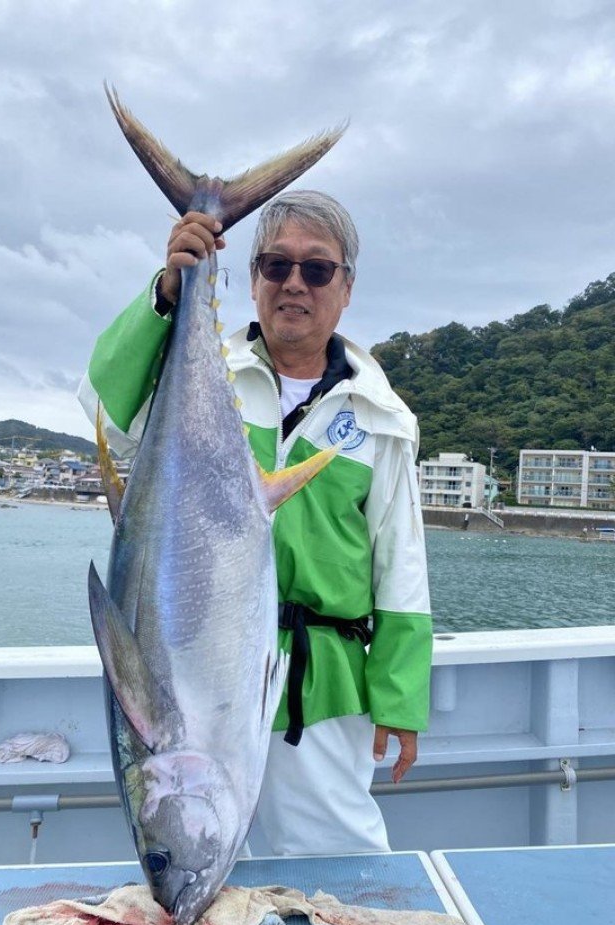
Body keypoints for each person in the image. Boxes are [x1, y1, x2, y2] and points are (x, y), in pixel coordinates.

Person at [78, 190, 432, 856]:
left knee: (338, 867)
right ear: (252, 280)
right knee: (203, 870)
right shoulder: (204, 373)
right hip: (194, 672)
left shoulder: (382, 419)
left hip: (317, 686)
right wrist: (165, 294)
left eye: (317, 269)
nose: (294, 282)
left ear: (347, 288)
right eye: (275, 266)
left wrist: (401, 698)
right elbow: (101, 408)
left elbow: (400, 568)